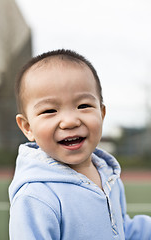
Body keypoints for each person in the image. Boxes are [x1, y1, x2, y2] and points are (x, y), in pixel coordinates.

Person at [9, 49, 151, 240]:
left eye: (83, 106)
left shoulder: (108, 175)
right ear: (28, 127)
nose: (70, 121)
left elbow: (121, 229)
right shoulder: (36, 196)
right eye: (50, 110)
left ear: (101, 113)